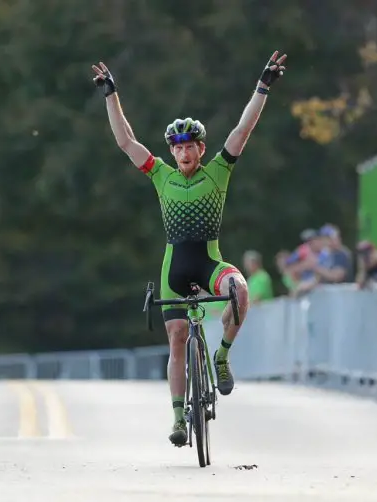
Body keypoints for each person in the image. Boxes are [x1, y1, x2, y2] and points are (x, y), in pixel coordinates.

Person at [91, 51, 288, 446]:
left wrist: (263, 86)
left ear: (201, 149)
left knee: (241, 290)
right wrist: (111, 94)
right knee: (177, 334)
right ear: (171, 151)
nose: (183, 153)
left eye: (190, 147)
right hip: (175, 269)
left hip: (208, 262)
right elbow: (125, 141)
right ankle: (179, 419)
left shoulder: (219, 171)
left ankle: (222, 356)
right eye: (177, 148)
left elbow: (243, 128)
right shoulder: (160, 175)